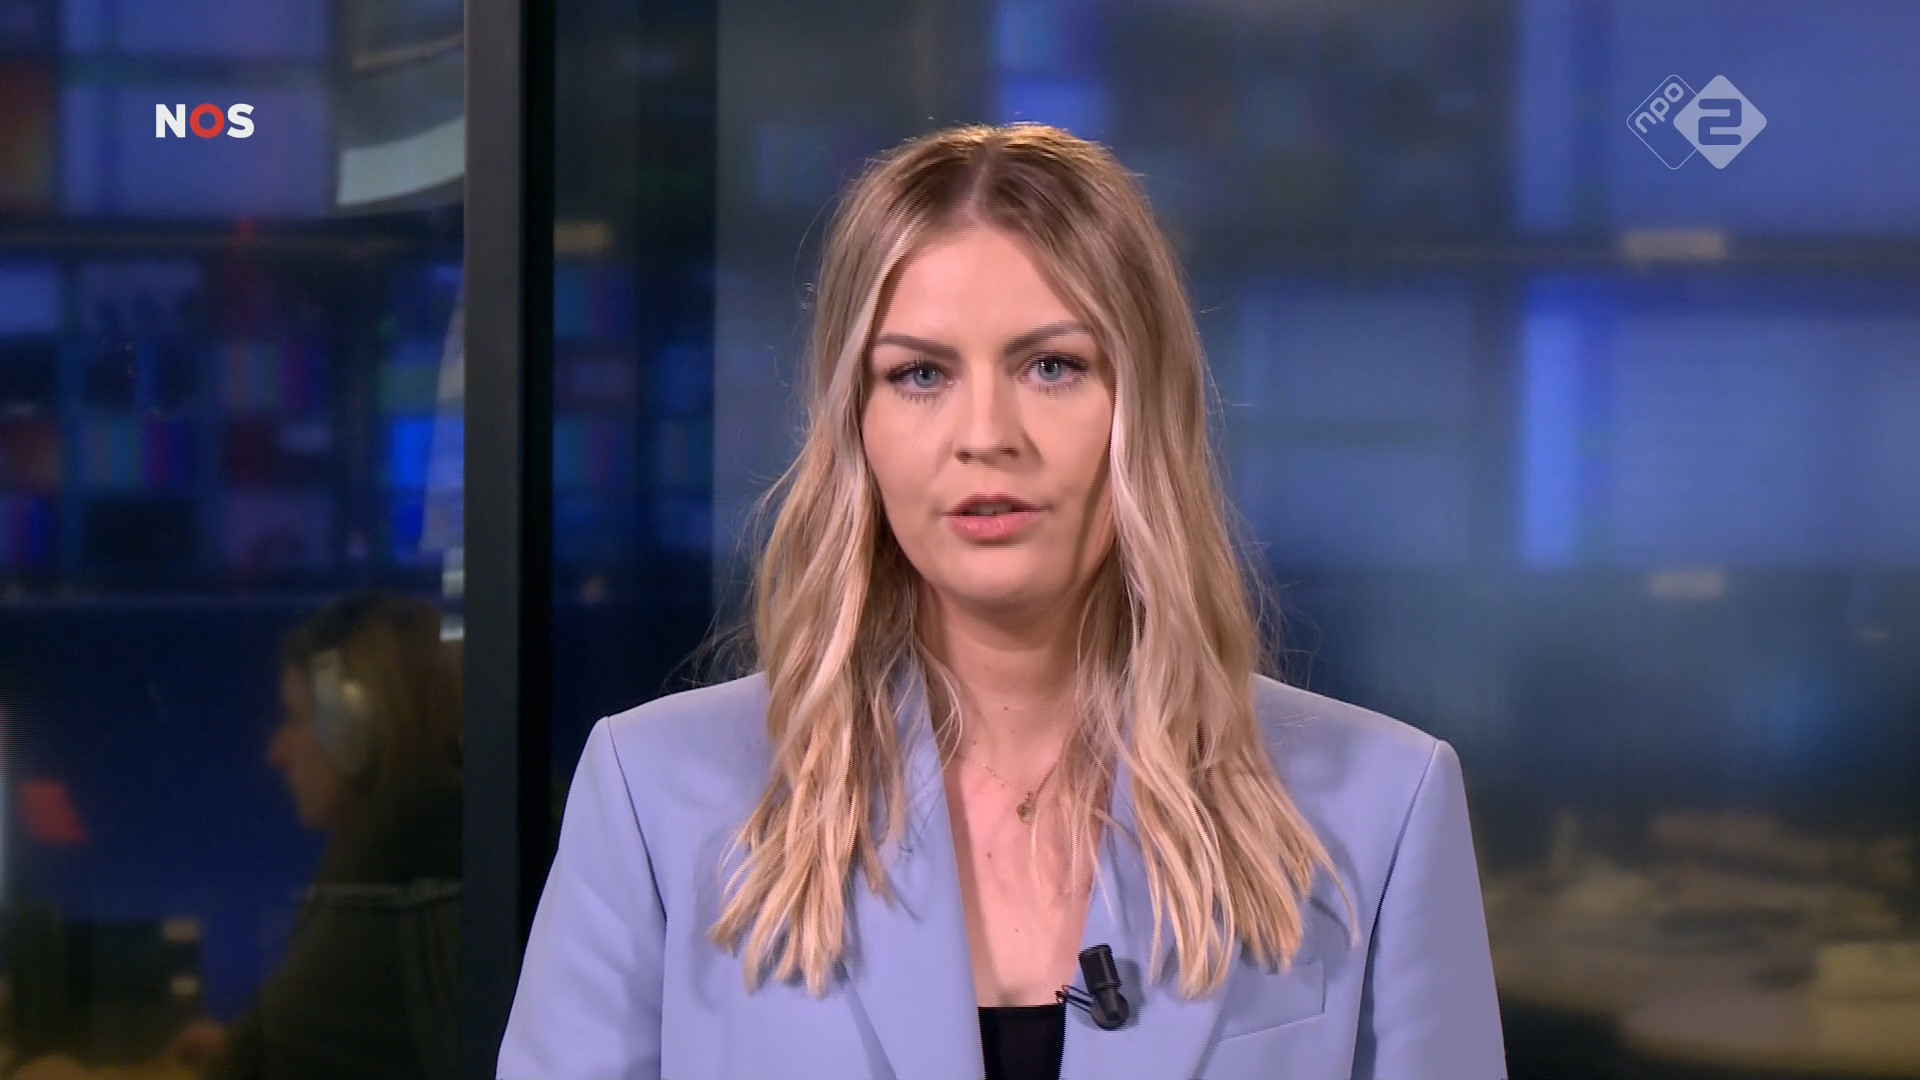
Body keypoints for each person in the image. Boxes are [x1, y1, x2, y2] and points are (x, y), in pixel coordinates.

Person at [496, 123, 1505, 1080]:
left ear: (1147, 408)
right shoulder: (655, 799)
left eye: (1052, 366)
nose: (986, 434)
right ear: (856, 425)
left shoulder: (1382, 810)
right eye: (920, 374)